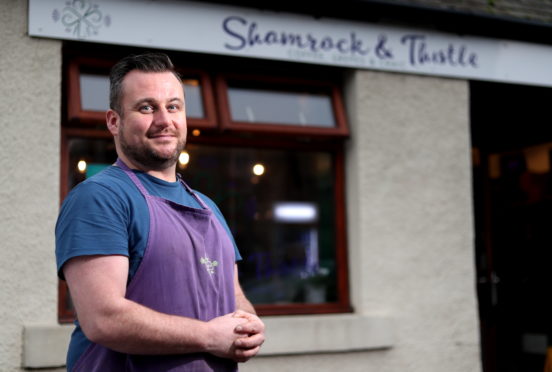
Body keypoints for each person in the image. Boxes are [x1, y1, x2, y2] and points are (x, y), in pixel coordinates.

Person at [55, 52, 265, 371]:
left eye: (173, 106)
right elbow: (103, 319)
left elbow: (231, 294)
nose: (164, 120)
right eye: (146, 107)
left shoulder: (208, 208)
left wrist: (248, 325)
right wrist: (209, 336)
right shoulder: (100, 198)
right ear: (114, 121)